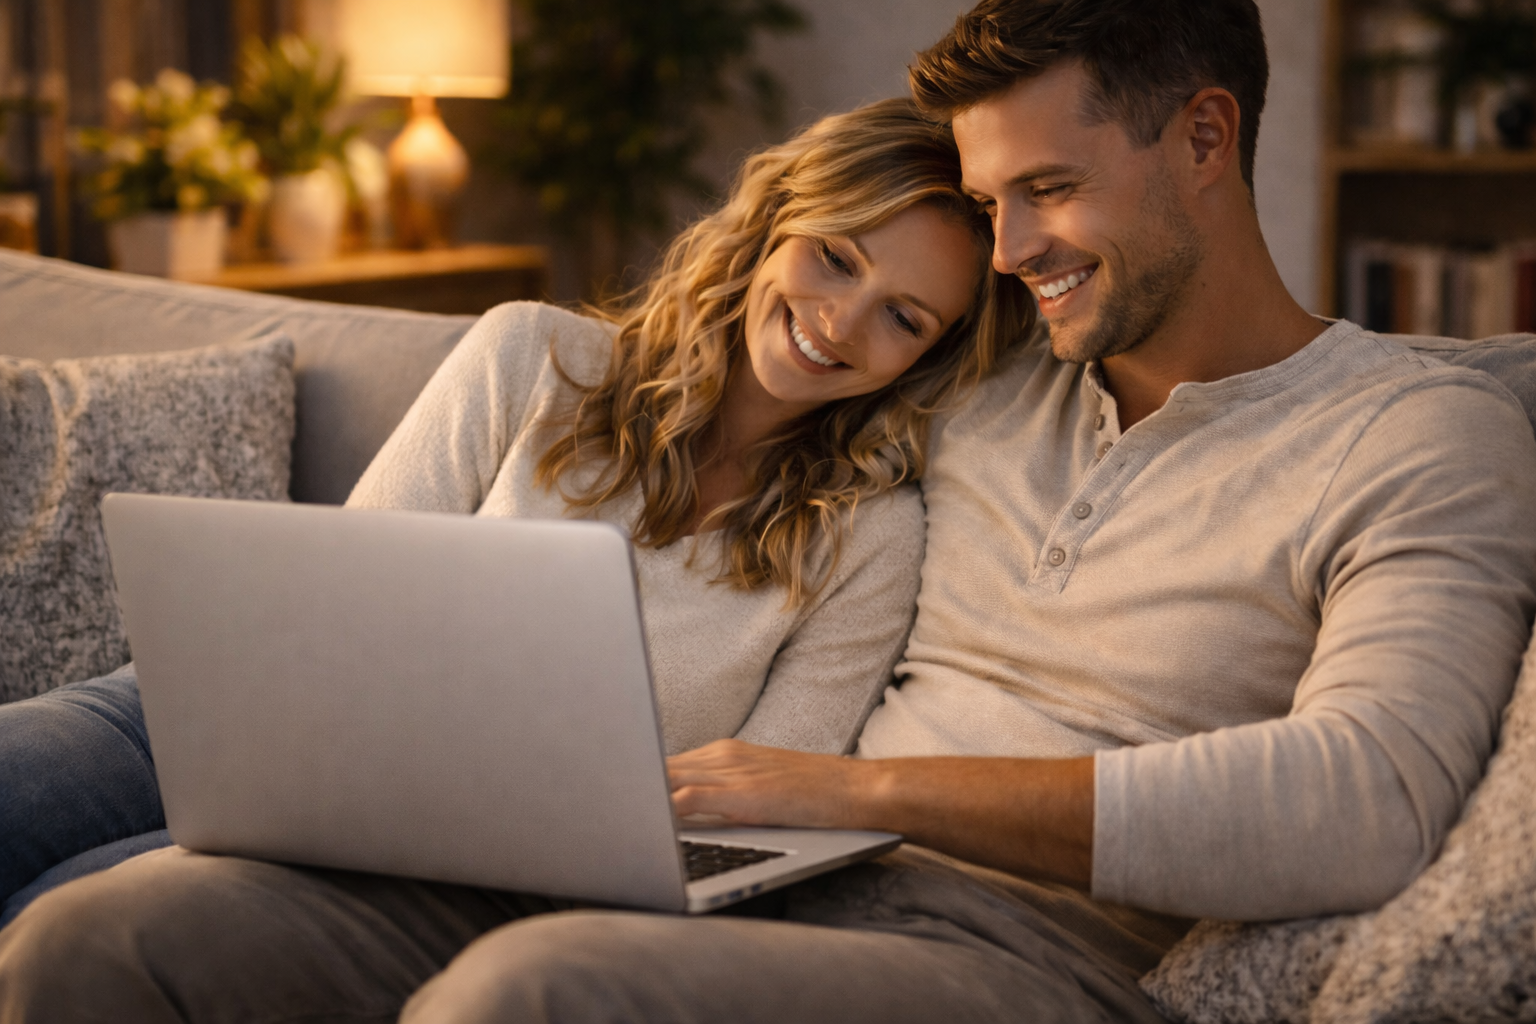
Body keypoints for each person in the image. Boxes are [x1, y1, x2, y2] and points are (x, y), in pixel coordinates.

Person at [3, 0, 1536, 1021]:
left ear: (1207, 140)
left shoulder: (1422, 430)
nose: (1006, 253)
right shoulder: (987, 375)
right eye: (992, 205)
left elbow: (1362, 800)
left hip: (1028, 954)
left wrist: (851, 793)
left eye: (1047, 191)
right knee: (104, 938)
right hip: (756, 889)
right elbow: (788, 320)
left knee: (527, 999)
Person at [0, 97, 1032, 920]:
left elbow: (759, 799)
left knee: (69, 916)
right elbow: (337, 603)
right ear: (773, 226)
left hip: (457, 842)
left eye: (902, 316)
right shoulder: (529, 355)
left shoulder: (870, 537)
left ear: (930, 356)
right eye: (835, 255)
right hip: (231, 711)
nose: (840, 320)